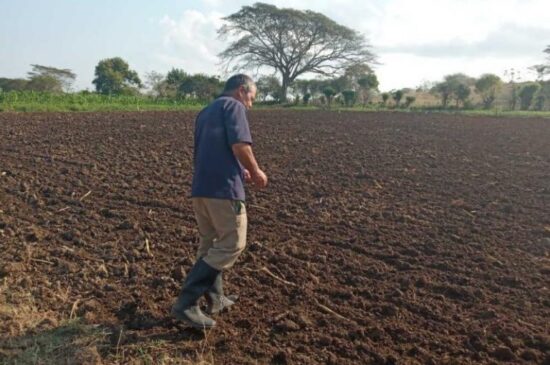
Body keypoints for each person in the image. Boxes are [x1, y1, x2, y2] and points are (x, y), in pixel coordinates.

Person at [171, 74, 268, 328]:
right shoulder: (233, 106)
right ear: (241, 90)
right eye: (251, 98)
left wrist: (240, 169)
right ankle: (186, 303)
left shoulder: (205, 111)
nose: (250, 104)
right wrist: (255, 171)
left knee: (210, 243)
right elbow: (239, 145)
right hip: (224, 191)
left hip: (201, 189)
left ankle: (216, 299)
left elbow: (214, 149)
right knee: (232, 243)